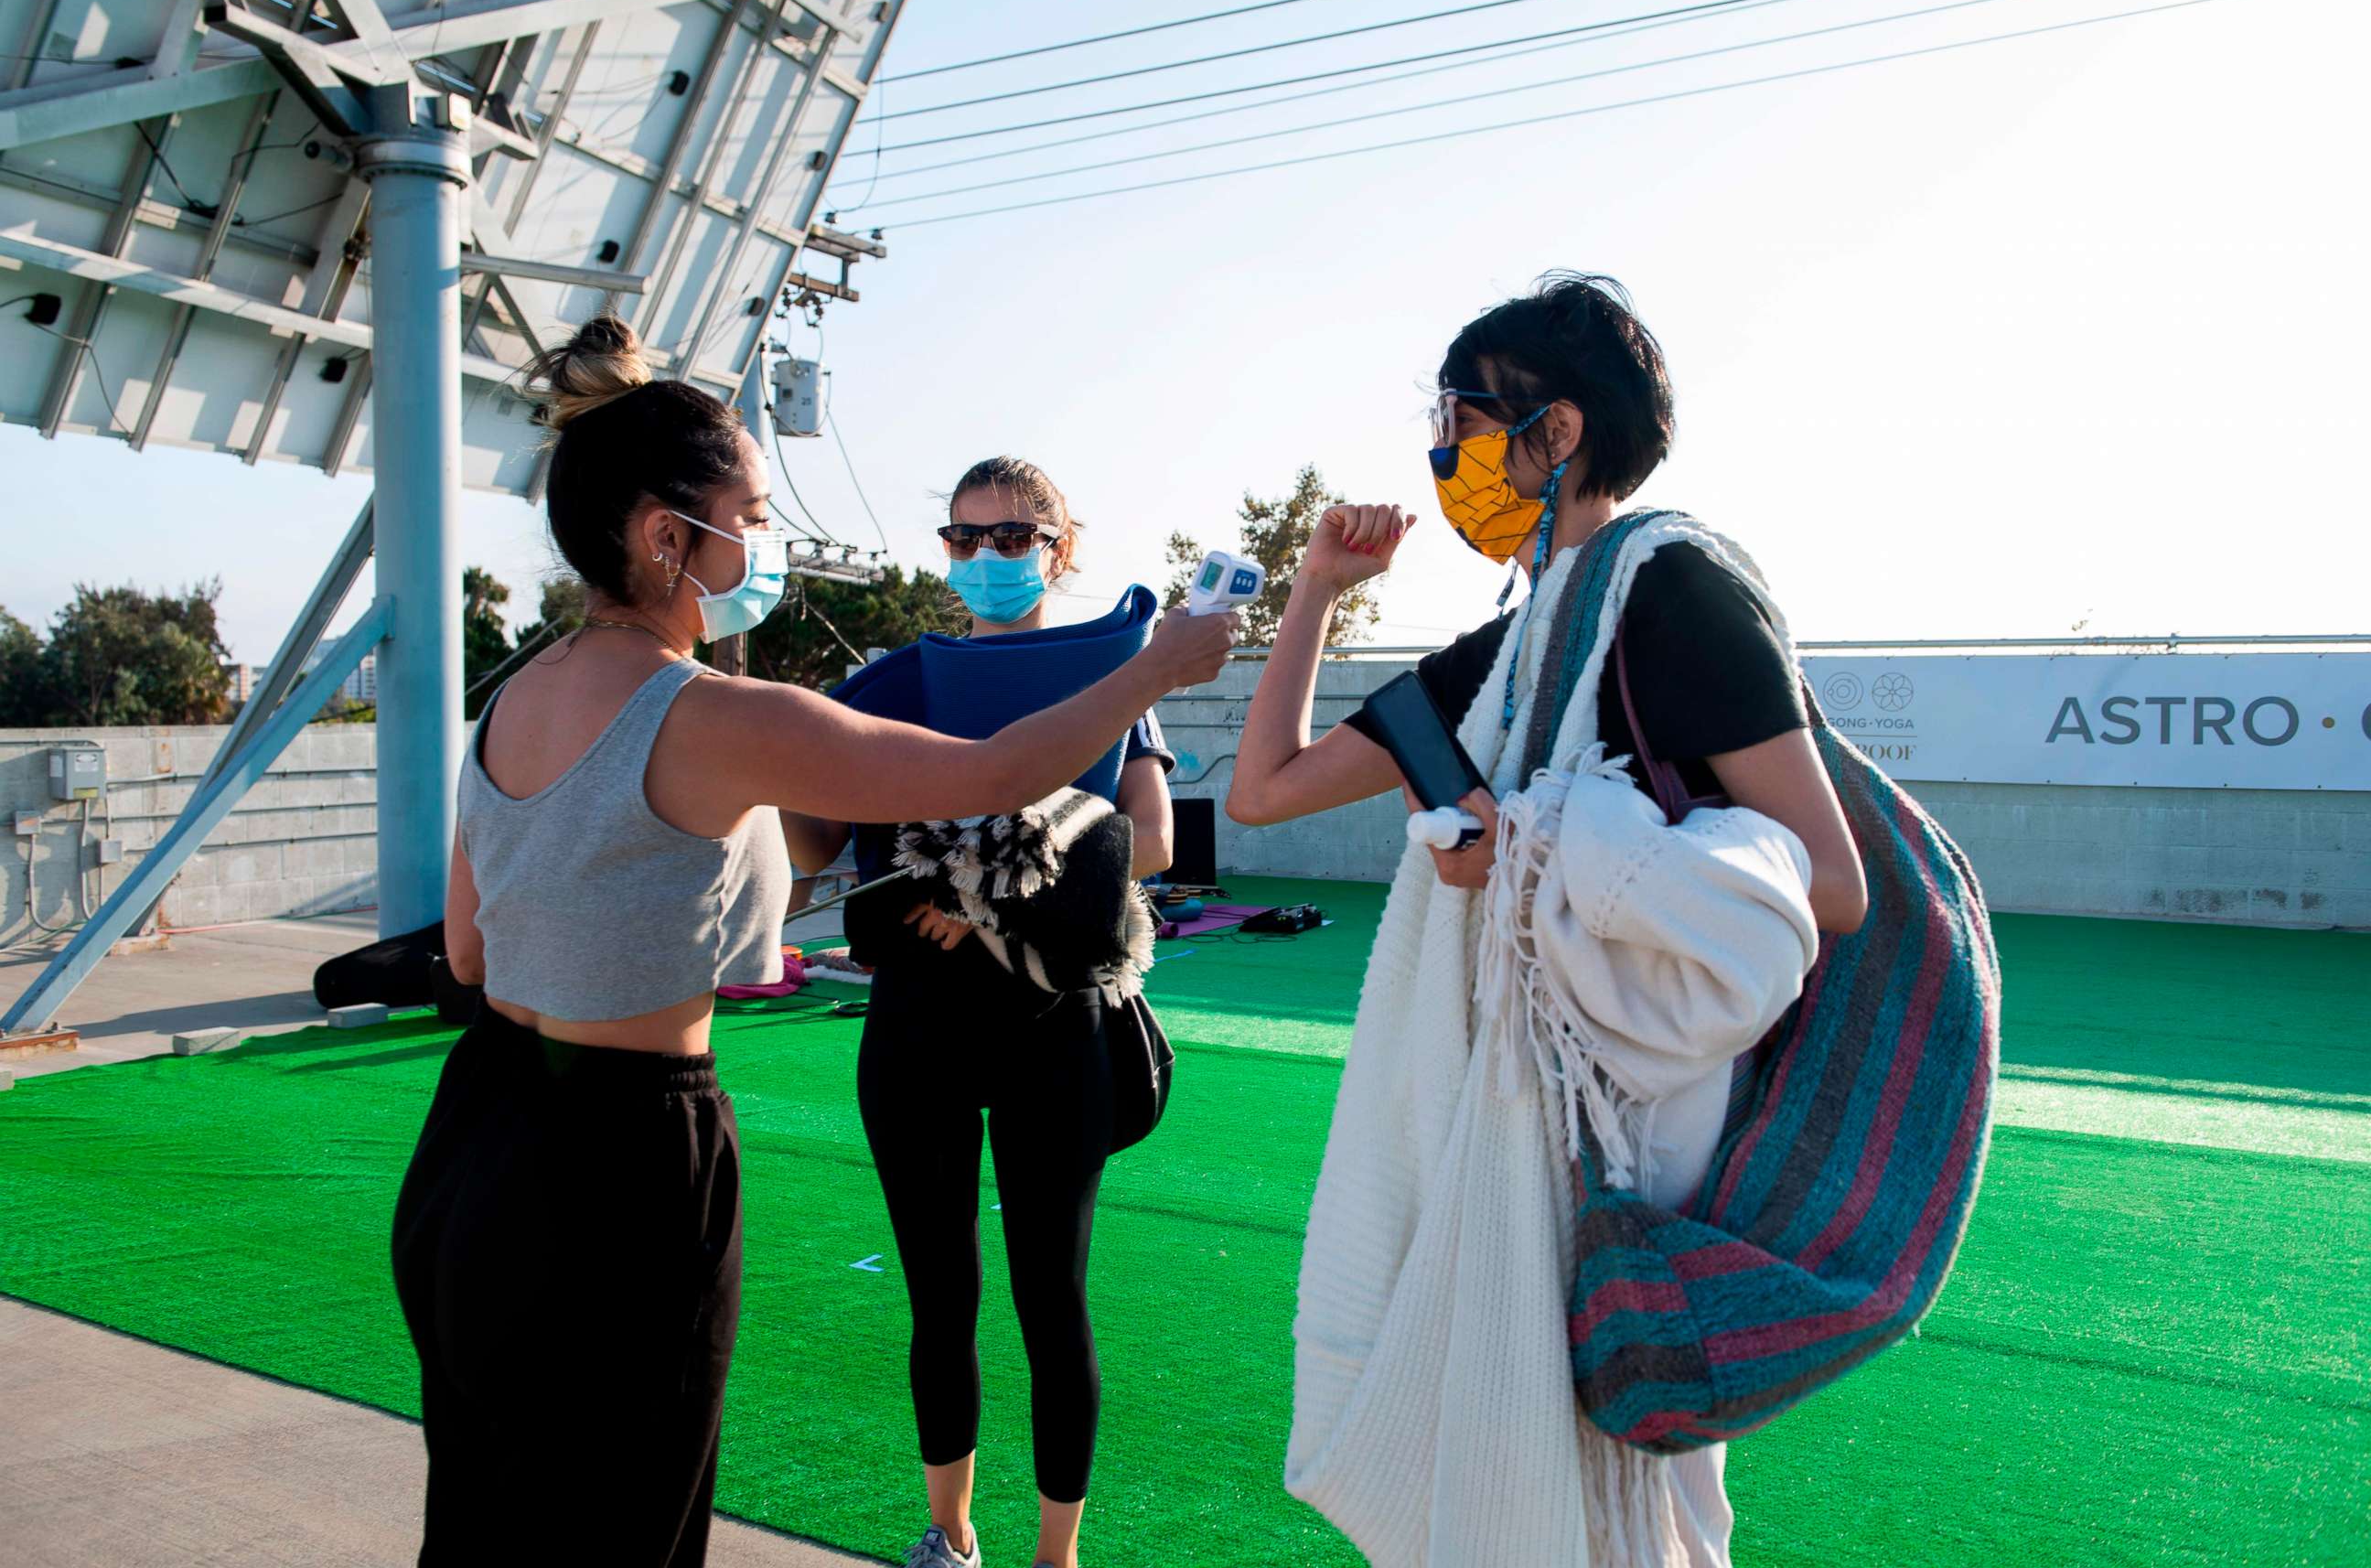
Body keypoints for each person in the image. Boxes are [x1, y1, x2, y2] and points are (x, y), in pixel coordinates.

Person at [390, 322, 1235, 1568]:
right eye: (754, 509)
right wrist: (1154, 667)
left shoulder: (509, 699)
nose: (767, 540)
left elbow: (467, 954)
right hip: (624, 1154)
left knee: (484, 1525)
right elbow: (1001, 770)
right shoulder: (717, 714)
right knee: (631, 1531)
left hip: (473, 1142)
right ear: (667, 535)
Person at [1227, 274, 1866, 1564]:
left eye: (1462, 423)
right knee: (1519, 1445)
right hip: (1519, 1088)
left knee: (1614, 1465)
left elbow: (1830, 881)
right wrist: (1315, 593)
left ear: (1556, 433)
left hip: (1628, 1111)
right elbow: (1263, 791)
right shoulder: (1518, 647)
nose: (1443, 458)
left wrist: (1542, 852)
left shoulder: (1677, 592)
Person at [780, 457, 1173, 1568]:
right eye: (963, 540)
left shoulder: (1115, 686)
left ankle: (1058, 1557)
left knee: (1054, 1298)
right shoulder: (889, 679)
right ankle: (949, 1534)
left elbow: (1154, 841)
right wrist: (784, 750)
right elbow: (811, 846)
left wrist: (987, 870)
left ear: (1060, 545)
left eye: (1012, 539)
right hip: (918, 1028)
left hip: (1056, 1024)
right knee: (939, 1296)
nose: (986, 560)